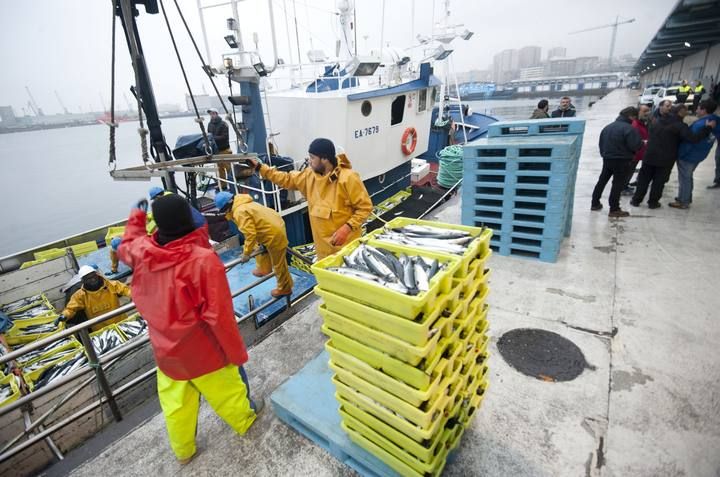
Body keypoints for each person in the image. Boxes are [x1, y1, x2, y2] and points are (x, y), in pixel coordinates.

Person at [116, 194, 258, 464]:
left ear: (158, 225)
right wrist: (237, 354)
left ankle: (184, 452)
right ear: (188, 219)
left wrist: (136, 216)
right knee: (231, 396)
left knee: (176, 409)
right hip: (205, 354)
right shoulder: (202, 260)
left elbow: (127, 245)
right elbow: (220, 317)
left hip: (166, 354)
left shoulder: (142, 253)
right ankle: (247, 424)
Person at [247, 138, 372, 261]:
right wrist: (260, 168)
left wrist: (346, 228)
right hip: (324, 253)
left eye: (312, 158)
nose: (309, 161)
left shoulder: (348, 178)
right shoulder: (309, 175)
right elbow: (286, 179)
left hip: (349, 251)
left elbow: (365, 208)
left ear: (324, 159)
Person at [631, 104, 715, 209]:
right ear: (680, 112)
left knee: (644, 179)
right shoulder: (680, 125)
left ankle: (636, 200)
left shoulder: (657, 121)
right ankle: (653, 203)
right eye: (686, 111)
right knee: (659, 182)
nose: (688, 113)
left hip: (649, 155)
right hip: (666, 158)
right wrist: (707, 128)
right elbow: (693, 138)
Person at [215, 191, 293, 297]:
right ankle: (264, 269)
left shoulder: (239, 211)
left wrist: (246, 253)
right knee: (260, 248)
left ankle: (285, 288)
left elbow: (250, 234)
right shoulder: (244, 203)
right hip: (270, 229)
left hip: (273, 234)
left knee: (279, 264)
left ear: (226, 208)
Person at [591, 107, 643, 217]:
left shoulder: (607, 127)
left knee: (602, 181)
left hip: (607, 158)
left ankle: (595, 203)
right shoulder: (629, 129)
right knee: (617, 184)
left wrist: (605, 154)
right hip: (622, 160)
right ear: (631, 116)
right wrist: (641, 143)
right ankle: (614, 209)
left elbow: (601, 143)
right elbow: (635, 145)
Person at [669, 99, 720, 208]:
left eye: (698, 108)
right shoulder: (715, 121)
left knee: (685, 178)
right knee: (687, 177)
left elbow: (690, 141)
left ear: (704, 110)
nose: (696, 110)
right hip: (700, 154)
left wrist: (681, 154)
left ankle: (683, 201)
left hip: (689, 155)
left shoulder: (700, 124)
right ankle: (686, 197)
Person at [55, 265, 131, 332]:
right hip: (101, 330)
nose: (92, 279)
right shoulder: (80, 295)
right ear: (83, 281)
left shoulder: (111, 285)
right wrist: (64, 315)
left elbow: (126, 290)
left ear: (97, 275)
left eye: (93, 276)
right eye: (88, 278)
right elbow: (71, 309)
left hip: (122, 323)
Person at [623, 104, 651, 194]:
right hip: (634, 154)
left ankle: (625, 186)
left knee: (630, 171)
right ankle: (623, 188)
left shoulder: (645, 122)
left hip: (640, 153)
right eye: (645, 111)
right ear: (638, 112)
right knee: (628, 172)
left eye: (648, 111)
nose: (647, 113)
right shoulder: (635, 124)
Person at [207, 108, 233, 191]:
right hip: (216, 150)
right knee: (219, 169)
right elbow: (208, 134)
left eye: (213, 113)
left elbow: (225, 137)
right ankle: (223, 185)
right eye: (210, 114)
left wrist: (213, 138)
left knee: (229, 168)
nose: (212, 115)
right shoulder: (209, 124)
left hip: (225, 150)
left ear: (217, 114)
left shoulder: (223, 124)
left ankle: (233, 184)